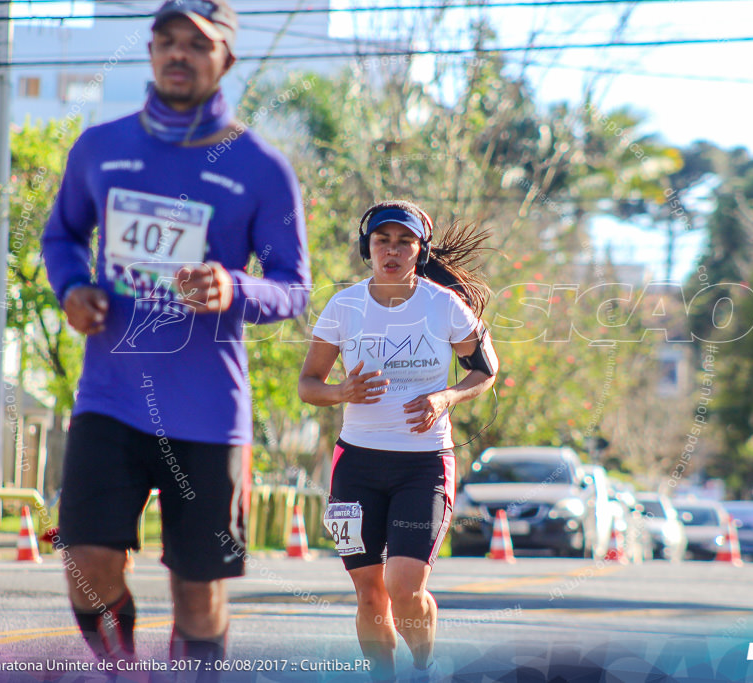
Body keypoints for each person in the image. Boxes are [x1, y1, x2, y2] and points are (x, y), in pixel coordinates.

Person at [41, 0, 310, 674]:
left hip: (208, 412)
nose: (177, 54)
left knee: (197, 591)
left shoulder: (261, 166)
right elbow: (62, 234)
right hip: (110, 396)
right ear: (151, 52)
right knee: (87, 563)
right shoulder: (101, 147)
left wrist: (235, 288)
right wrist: (72, 287)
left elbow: (294, 286)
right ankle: (123, 667)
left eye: (196, 42)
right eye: (165, 41)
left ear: (227, 57)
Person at [298, 200, 498, 681]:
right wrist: (340, 391)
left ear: (419, 249)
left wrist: (445, 398)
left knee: (403, 587)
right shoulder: (344, 305)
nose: (392, 250)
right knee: (370, 593)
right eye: (382, 240)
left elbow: (486, 371)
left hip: (423, 464)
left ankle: (423, 665)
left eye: (404, 241)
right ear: (367, 247)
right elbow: (309, 384)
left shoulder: (443, 304)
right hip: (357, 464)